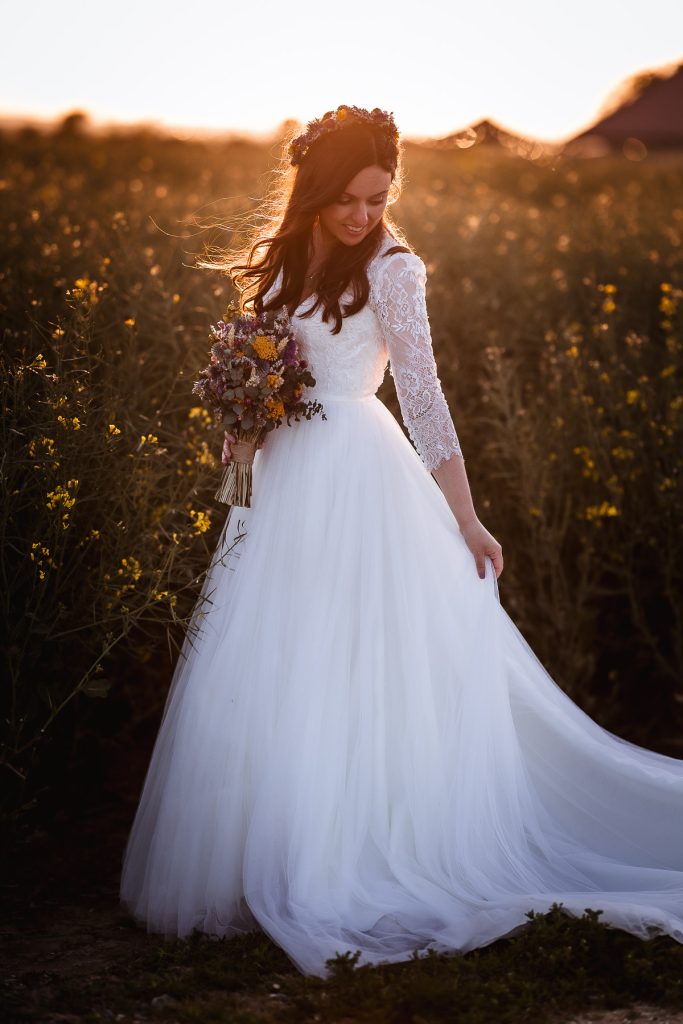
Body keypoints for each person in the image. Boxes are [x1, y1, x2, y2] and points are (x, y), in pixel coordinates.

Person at [120, 104, 683, 978]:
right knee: (281, 662)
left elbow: (420, 394)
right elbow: (261, 377)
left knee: (356, 663)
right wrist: (239, 427)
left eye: (377, 197)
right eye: (346, 198)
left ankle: (351, 854)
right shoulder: (283, 262)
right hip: (282, 485)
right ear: (312, 189)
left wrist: (464, 516)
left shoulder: (393, 268)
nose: (362, 215)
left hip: (357, 475)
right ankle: (273, 848)